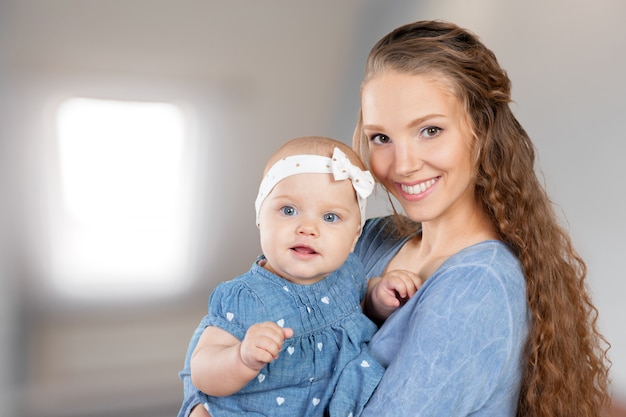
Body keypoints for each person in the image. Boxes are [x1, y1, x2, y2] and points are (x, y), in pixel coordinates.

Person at [181, 20, 611, 417]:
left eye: (430, 130)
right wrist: (202, 402)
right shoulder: (369, 239)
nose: (403, 165)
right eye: (382, 137)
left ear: (481, 131)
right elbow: (221, 337)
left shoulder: (478, 287)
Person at [180, 136, 422, 417]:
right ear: (260, 216)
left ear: (355, 234)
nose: (307, 228)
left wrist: (380, 296)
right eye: (288, 210)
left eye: (330, 217)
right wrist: (241, 358)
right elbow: (202, 371)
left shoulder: (350, 272)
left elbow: (362, 306)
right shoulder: (245, 296)